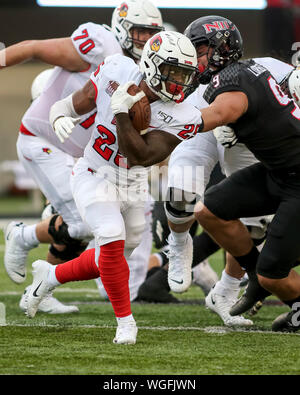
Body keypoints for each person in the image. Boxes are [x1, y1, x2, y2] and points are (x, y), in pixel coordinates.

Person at [25, 30, 202, 345]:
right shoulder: (116, 69)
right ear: (150, 65)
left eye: (184, 74)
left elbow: (141, 155)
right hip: (94, 172)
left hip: (133, 182)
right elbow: (74, 103)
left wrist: (121, 113)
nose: (179, 82)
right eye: (172, 72)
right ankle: (126, 322)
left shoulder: (184, 113)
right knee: (109, 235)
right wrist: (57, 116)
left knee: (115, 255)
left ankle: (49, 276)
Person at [2, 0, 164, 312]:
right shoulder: (101, 44)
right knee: (85, 224)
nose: (145, 40)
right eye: (140, 31)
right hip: (44, 140)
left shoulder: (143, 70)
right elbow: (33, 47)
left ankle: (43, 290)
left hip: (83, 158)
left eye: (151, 33)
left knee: (83, 229)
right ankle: (21, 235)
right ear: (122, 28)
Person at [183, 16, 300, 332]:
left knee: (272, 274)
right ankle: (254, 273)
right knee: (209, 210)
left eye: (200, 50)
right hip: (278, 173)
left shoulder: (236, 79)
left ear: (221, 47)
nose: (194, 59)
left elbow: (221, 112)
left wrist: (166, 123)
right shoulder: (243, 72)